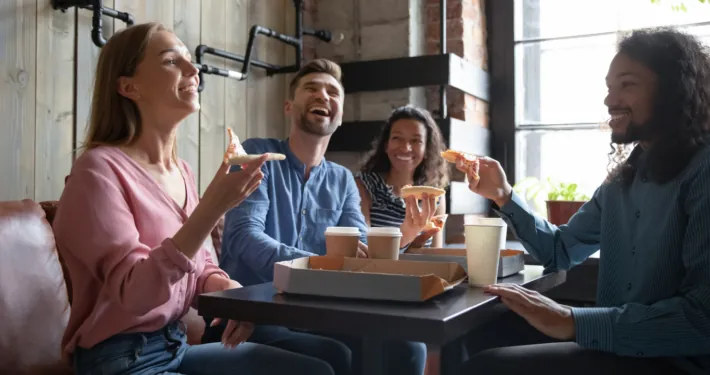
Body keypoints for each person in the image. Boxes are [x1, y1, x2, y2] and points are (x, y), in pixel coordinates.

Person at [52, 22, 338, 375]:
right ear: (129, 86)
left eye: (191, 60)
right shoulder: (96, 171)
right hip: (120, 361)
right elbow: (135, 295)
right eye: (172, 61)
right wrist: (212, 207)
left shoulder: (181, 170)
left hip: (174, 344)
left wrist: (234, 296)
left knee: (322, 363)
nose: (194, 69)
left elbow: (201, 269)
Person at [455, 28, 710, 375]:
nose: (610, 100)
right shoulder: (623, 179)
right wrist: (503, 195)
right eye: (609, 87)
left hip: (673, 360)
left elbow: (702, 317)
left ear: (674, 89)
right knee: (478, 332)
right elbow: (560, 251)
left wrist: (572, 321)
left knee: (487, 368)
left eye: (627, 84)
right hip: (614, 348)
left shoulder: (703, 170)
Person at [203, 58, 430, 375]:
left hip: (318, 316)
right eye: (311, 88)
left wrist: (401, 236)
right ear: (288, 106)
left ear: (340, 117)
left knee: (407, 348)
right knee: (331, 354)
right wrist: (322, 263)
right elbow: (244, 239)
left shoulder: (343, 180)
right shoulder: (257, 155)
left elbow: (360, 249)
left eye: (333, 92)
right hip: (249, 316)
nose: (323, 96)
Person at [355, 105, 449, 249]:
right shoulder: (363, 186)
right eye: (397, 138)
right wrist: (406, 235)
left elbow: (437, 255)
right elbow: (364, 252)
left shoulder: (434, 195)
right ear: (386, 145)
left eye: (416, 140)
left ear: (427, 150)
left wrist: (416, 245)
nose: (406, 147)